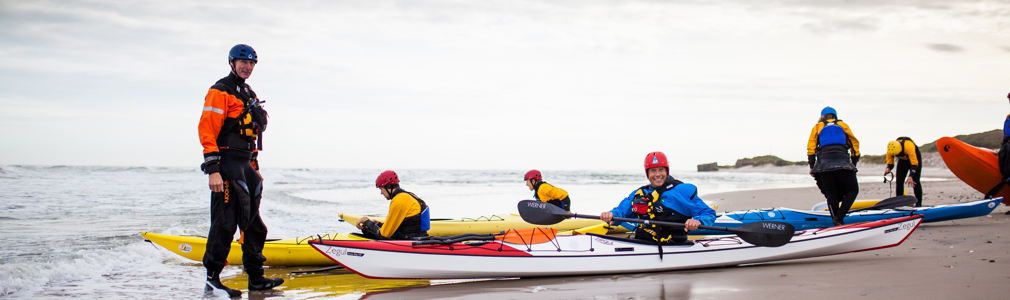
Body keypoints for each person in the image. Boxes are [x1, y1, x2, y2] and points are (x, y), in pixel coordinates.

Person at [198, 44, 282, 297]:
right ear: (231, 63)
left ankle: (256, 278)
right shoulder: (220, 90)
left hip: (246, 166)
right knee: (225, 225)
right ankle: (213, 279)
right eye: (242, 62)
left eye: (252, 63)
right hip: (226, 164)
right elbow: (207, 129)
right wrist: (213, 169)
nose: (247, 67)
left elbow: (252, 136)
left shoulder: (248, 92)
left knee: (254, 226)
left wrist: (254, 169)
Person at [600, 152, 716, 244]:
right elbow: (620, 212)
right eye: (653, 170)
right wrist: (611, 215)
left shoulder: (681, 191)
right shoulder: (639, 193)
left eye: (661, 169)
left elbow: (708, 213)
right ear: (647, 173)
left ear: (667, 171)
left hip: (674, 245)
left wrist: (698, 221)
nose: (657, 174)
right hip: (643, 243)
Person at [807, 106, 861, 225]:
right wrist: (854, 162)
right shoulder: (843, 125)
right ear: (835, 116)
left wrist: (812, 165)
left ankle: (836, 220)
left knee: (831, 193)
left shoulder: (817, 127)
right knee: (853, 190)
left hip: (824, 164)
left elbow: (811, 148)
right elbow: (854, 143)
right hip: (842, 161)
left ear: (821, 116)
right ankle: (839, 218)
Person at [356, 170, 431, 239]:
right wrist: (378, 224)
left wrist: (366, 221)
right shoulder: (407, 195)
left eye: (381, 189)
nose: (381, 193)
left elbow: (384, 235)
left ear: (388, 187)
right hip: (417, 237)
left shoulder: (398, 200)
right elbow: (400, 227)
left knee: (367, 230)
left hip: (410, 242)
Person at [885, 137, 923, 206]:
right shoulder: (890, 149)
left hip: (915, 159)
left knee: (915, 181)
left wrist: (911, 176)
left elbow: (914, 164)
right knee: (899, 181)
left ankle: (918, 204)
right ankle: (899, 203)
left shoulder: (909, 146)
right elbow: (890, 161)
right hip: (902, 161)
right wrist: (888, 168)